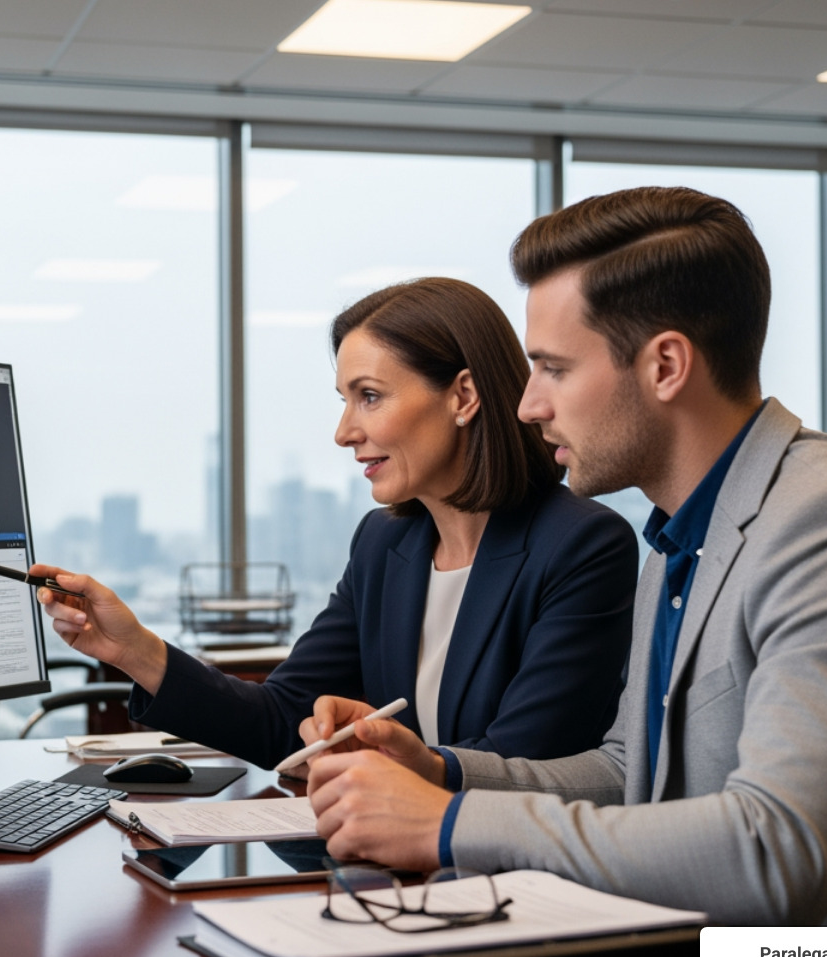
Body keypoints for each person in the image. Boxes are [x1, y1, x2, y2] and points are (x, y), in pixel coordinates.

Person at [303, 188, 827, 957]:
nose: (527, 404)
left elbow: (777, 853)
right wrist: (443, 772)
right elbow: (631, 771)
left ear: (665, 366)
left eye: (554, 368)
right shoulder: (679, 538)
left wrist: (449, 824)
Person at [34, 277, 638, 770]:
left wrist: (386, 764)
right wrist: (135, 650)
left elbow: (525, 765)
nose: (345, 432)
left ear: (463, 397)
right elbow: (282, 719)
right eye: (344, 400)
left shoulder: (581, 545)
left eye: (369, 396)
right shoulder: (384, 544)